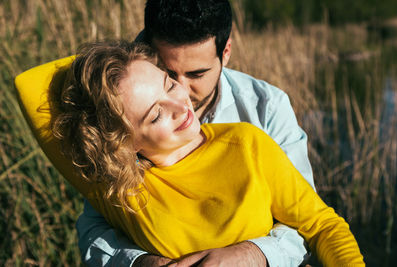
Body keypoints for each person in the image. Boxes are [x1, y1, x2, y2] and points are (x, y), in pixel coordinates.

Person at [50, 40, 364, 267]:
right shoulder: (121, 184)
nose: (182, 104)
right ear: (124, 143)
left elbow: (323, 226)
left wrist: (254, 254)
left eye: (168, 84)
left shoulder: (246, 144)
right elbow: (29, 87)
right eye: (155, 115)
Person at [77, 0, 315, 266]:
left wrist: (252, 254)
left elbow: (307, 224)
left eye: (196, 74)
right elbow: (92, 231)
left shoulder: (267, 108)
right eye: (168, 74)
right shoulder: (120, 112)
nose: (182, 93)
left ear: (225, 52)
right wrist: (144, 263)